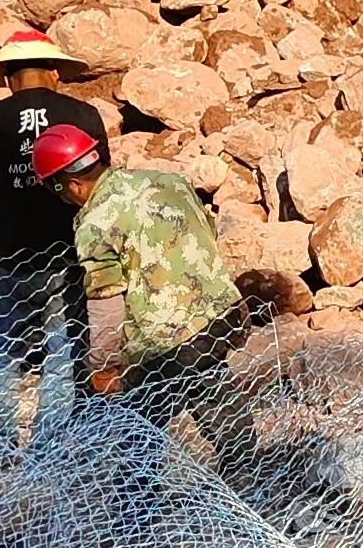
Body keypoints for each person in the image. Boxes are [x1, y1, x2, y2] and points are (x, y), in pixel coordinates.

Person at [0, 31, 104, 443]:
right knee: (63, 348)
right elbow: (99, 182)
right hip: (69, 255)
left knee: (6, 345)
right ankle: (49, 444)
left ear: (7, 79)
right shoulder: (85, 116)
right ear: (55, 72)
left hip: (13, 254)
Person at [35, 122, 240, 383]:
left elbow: (106, 306)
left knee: (135, 416)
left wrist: (104, 366)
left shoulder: (95, 224)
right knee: (216, 399)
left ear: (73, 185)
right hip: (224, 312)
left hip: (168, 343)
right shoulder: (169, 182)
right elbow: (208, 233)